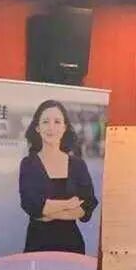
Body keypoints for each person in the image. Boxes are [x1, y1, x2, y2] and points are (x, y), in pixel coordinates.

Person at [18, 99, 98, 254]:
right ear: (37, 128)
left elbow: (87, 203)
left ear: (64, 127)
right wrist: (69, 204)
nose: (51, 127)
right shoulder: (28, 164)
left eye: (57, 122)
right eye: (45, 122)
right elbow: (32, 205)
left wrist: (48, 212)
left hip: (72, 246)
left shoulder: (78, 165)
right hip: (37, 245)